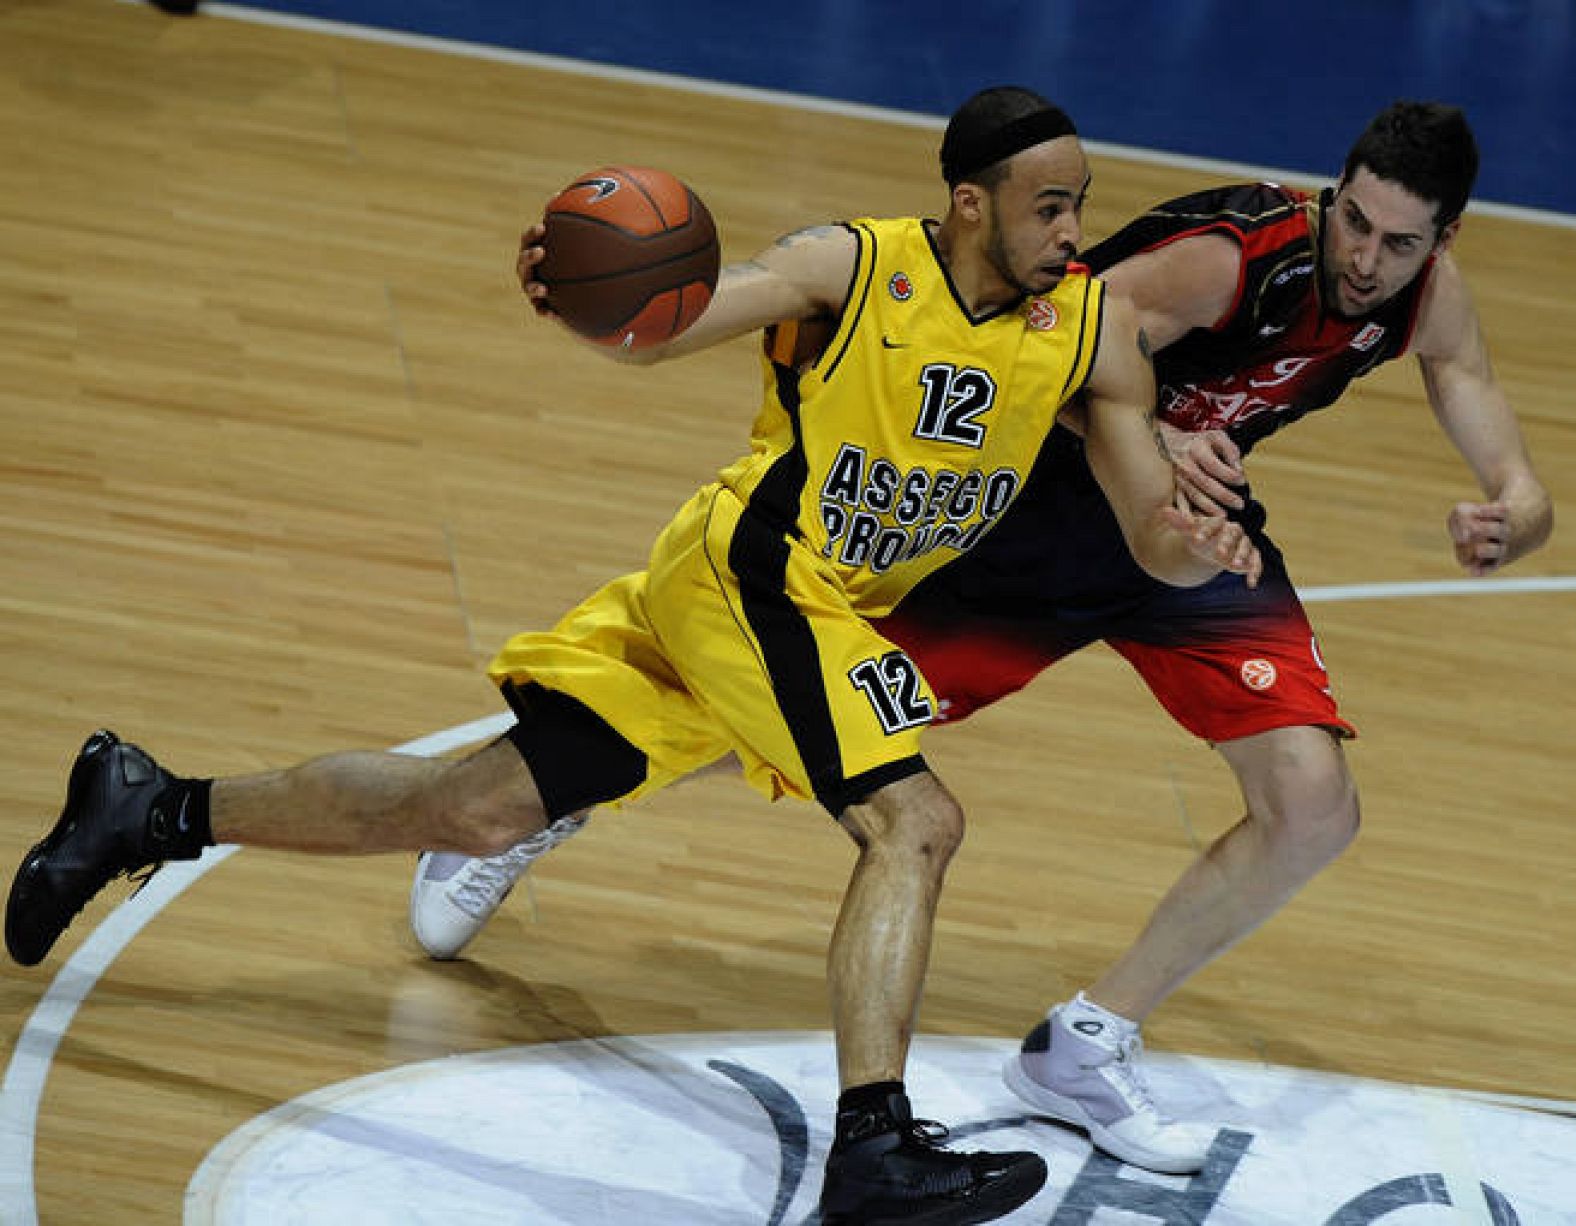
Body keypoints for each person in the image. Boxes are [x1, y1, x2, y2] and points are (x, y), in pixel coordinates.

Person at [5, 86, 1260, 1226]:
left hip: (808, 612)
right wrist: (588, 294)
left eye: (1080, 204)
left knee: (478, 806)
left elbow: (1152, 532)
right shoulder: (853, 262)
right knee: (914, 822)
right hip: (755, 574)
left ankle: (150, 804)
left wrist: (1198, 540)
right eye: (1051, 205)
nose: (1073, 229)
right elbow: (672, 323)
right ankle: (873, 1143)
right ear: (969, 201)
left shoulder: (1089, 331)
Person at [409, 100, 1554, 1177]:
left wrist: (1517, 496)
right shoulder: (1228, 255)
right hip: (1026, 527)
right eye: (1353, 220)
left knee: (1314, 805)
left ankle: (1084, 1046)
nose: (1365, 257)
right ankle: (544, 796)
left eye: (1399, 241)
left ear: (1441, 239)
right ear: (1331, 193)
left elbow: (1466, 377)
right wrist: (1164, 428)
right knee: (794, 713)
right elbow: (1050, 339)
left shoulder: (1425, 294)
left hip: (1180, 545)